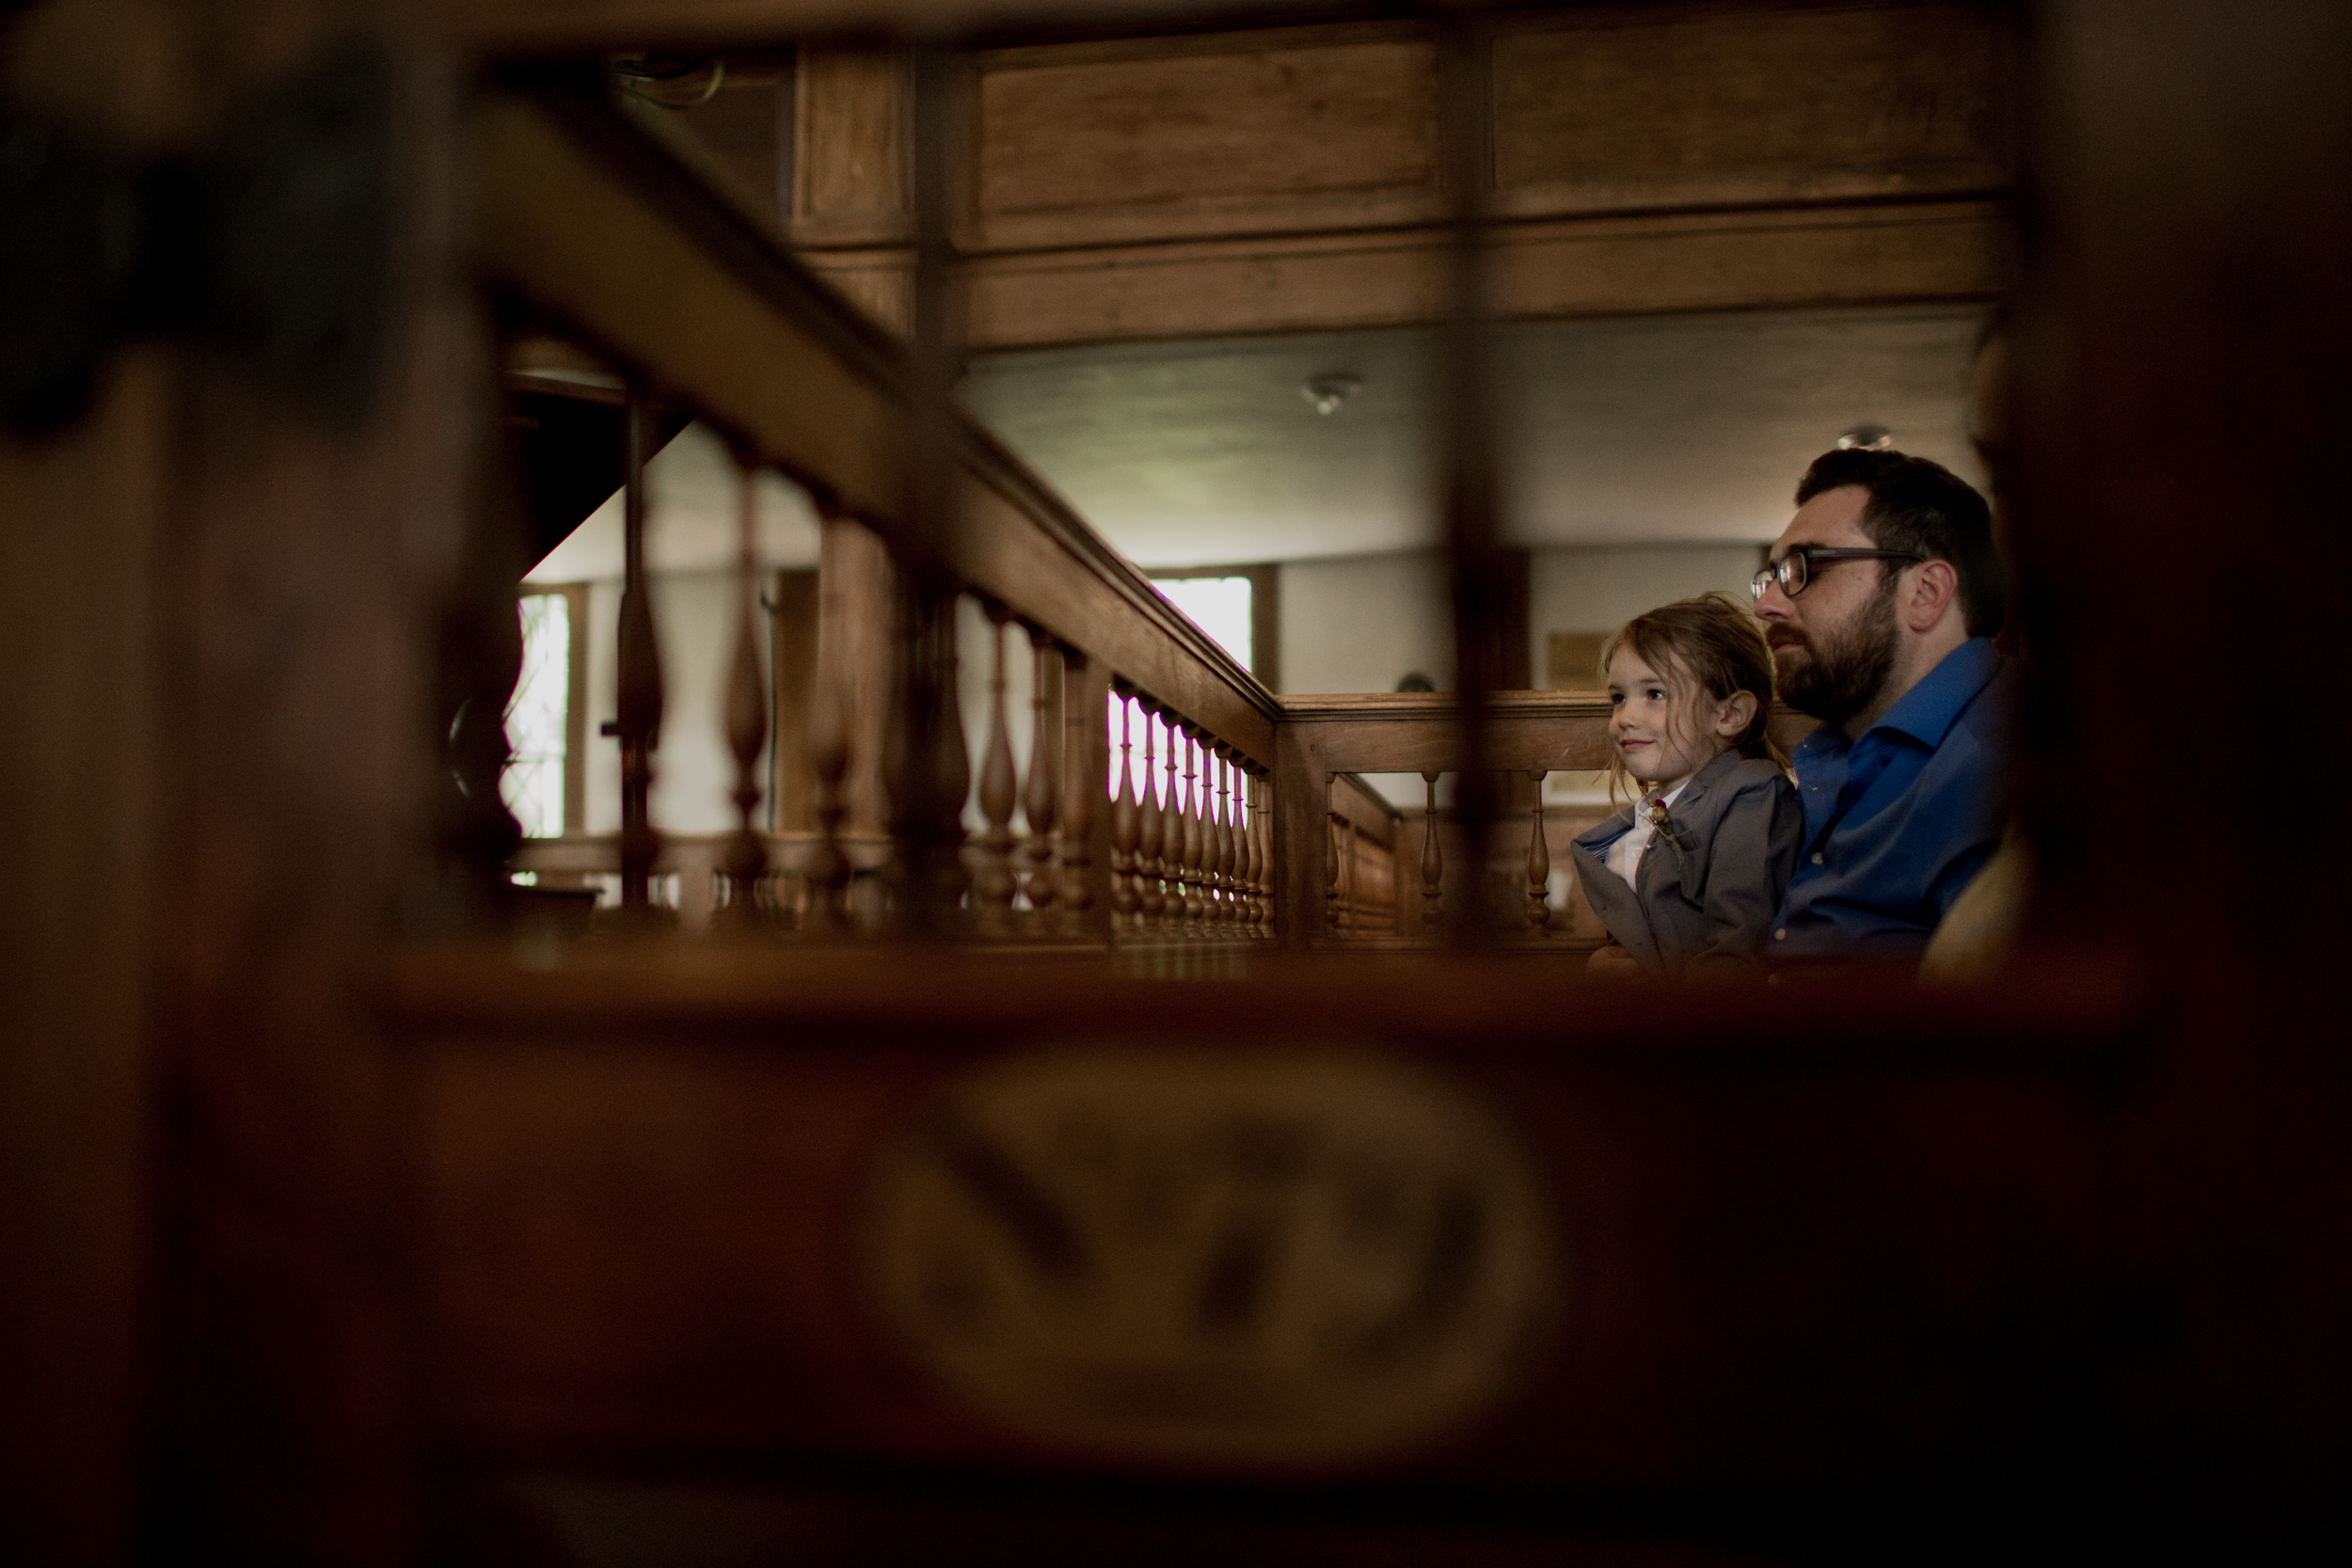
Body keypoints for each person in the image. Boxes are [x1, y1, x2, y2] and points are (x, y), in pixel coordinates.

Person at [1751, 448, 2013, 966]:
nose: (1765, 606)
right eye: (1772, 576)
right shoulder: (1836, 747)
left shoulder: (2006, 765)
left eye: (1804, 568)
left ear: (1927, 592)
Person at [1569, 594, 1801, 979]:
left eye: (1655, 694)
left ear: (1729, 714)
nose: (1624, 717)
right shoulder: (1651, 815)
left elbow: (1735, 956)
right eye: (1618, 697)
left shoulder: (1752, 793)